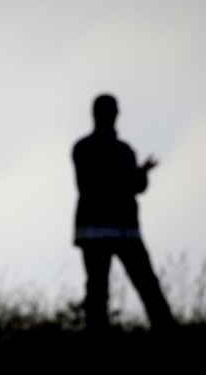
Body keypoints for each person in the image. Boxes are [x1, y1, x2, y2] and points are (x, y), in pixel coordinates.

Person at [71, 93, 175, 338]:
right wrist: (138, 173)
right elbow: (130, 184)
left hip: (102, 230)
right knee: (142, 287)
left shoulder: (86, 148)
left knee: (102, 291)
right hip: (118, 230)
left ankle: (98, 342)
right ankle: (168, 336)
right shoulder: (118, 150)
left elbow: (130, 185)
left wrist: (137, 174)